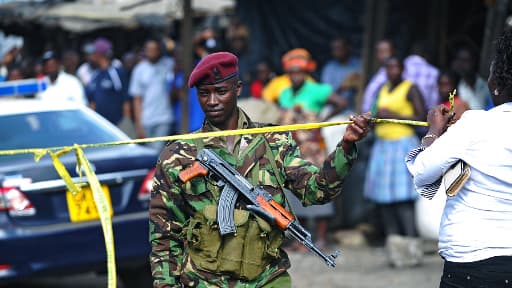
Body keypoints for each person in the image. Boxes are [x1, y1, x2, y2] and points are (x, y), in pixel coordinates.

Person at [149, 51, 372, 287]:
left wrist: (346, 146)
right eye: (204, 94)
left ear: (238, 89)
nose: (212, 101)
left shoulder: (273, 141)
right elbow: (163, 233)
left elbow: (317, 191)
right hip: (205, 281)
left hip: (267, 278)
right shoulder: (178, 155)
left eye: (221, 91)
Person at [405, 29, 512, 287]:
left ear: (497, 83)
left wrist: (433, 131)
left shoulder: (476, 124)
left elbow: (422, 172)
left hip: (474, 264)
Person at [363, 55, 426, 267]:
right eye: (389, 68)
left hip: (402, 145)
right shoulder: (382, 90)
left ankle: (413, 249)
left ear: (402, 69)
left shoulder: (410, 88)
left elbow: (422, 119)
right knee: (385, 201)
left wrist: (392, 114)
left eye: (396, 67)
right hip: (383, 147)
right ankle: (396, 251)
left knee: (403, 200)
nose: (393, 71)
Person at [129, 39, 174, 151]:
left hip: (164, 118)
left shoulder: (168, 64)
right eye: (149, 50)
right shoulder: (139, 69)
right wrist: (138, 124)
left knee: (157, 152)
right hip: (146, 119)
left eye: (154, 50)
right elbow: (137, 99)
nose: (152, 52)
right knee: (149, 153)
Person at [85, 38, 132, 134]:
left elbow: (125, 99)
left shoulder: (116, 72)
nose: (91, 56)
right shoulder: (95, 75)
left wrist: (126, 122)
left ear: (99, 54)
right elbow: (92, 102)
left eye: (93, 53)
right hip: (100, 127)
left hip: (118, 125)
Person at [321, 35, 361, 112]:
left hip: (355, 108)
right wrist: (343, 87)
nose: (336, 52)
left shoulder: (359, 65)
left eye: (339, 48)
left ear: (348, 48)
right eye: (334, 49)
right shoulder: (329, 67)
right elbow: (326, 94)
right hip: (333, 108)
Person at [450, 44, 492, 110]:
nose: (461, 64)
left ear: (474, 61)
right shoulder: (455, 86)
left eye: (465, 60)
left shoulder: (486, 85)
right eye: (459, 60)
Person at [403, 41, 440, 111]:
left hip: (401, 113)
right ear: (426, 55)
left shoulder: (400, 67)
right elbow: (434, 97)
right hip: (424, 114)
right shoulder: (434, 72)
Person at [361, 39, 395, 113]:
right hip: (372, 116)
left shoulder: (397, 74)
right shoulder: (379, 73)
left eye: (385, 51)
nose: (383, 55)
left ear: (392, 52)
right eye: (380, 52)